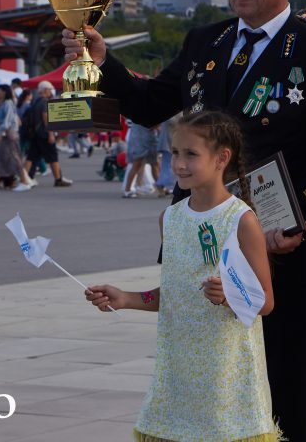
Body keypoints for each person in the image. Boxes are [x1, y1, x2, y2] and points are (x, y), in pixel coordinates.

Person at [63, 0, 306, 441]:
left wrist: (295, 223)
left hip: (281, 252)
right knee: (202, 395)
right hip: (201, 252)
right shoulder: (205, 40)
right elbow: (151, 106)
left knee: (285, 399)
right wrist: (104, 62)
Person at [84, 111, 277, 441]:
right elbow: (176, 290)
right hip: (178, 365)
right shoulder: (170, 218)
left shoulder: (241, 220)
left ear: (221, 158)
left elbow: (265, 302)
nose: (179, 163)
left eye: (191, 154)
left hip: (225, 367)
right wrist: (126, 298)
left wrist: (230, 295)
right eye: (174, 152)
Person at [0, 85, 34, 192]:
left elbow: (6, 123)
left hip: (9, 135)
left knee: (14, 158)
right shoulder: (2, 104)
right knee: (1, 159)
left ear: (4, 92)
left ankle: (24, 181)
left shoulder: (8, 103)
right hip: (6, 134)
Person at [23, 81, 73, 187]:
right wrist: (51, 134)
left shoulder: (35, 101)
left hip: (35, 134)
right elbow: (46, 118)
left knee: (31, 157)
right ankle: (58, 179)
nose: (51, 92)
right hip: (44, 134)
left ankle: (25, 178)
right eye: (50, 90)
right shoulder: (45, 102)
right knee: (53, 157)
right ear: (45, 90)